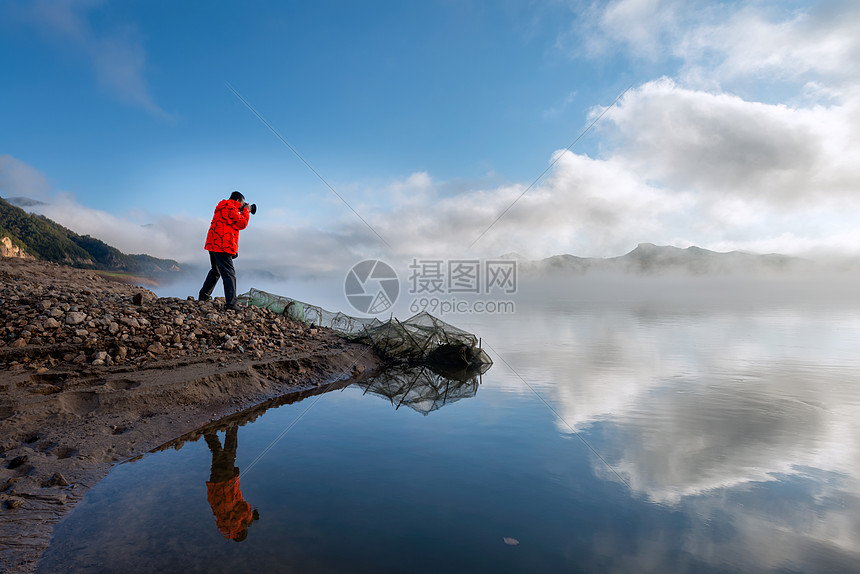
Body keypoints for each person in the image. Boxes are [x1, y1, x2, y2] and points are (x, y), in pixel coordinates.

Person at [204, 424, 259, 541]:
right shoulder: (222, 521)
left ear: (241, 531)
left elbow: (243, 508)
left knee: (229, 453)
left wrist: (250, 518)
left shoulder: (236, 523)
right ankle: (207, 431)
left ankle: (232, 426)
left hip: (226, 483)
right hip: (216, 485)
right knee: (217, 453)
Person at [199, 191, 251, 310]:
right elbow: (242, 223)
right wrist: (246, 211)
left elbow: (230, 224)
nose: (243, 205)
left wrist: (243, 210)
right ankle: (231, 304)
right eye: (243, 203)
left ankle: (204, 296)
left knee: (216, 270)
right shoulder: (230, 207)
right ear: (238, 201)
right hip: (222, 244)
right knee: (229, 274)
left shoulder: (222, 206)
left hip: (213, 242)